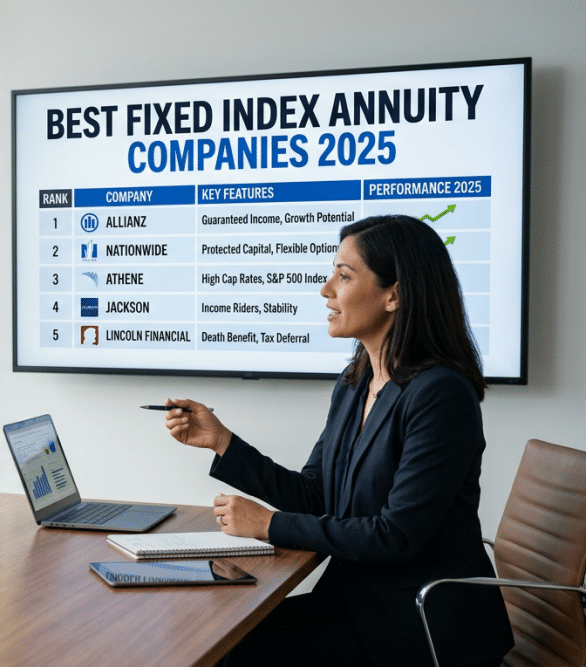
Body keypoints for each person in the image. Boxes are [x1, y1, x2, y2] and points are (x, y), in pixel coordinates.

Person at [163, 215, 513, 667]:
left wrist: (269, 524)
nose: (326, 289)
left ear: (396, 294)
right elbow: (316, 495)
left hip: (417, 624)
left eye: (344, 276)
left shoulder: (440, 395)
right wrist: (222, 441)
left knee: (234, 654)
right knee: (214, 634)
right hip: (357, 604)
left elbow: (397, 536)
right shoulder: (356, 382)